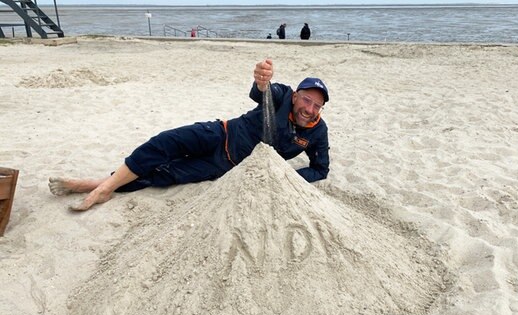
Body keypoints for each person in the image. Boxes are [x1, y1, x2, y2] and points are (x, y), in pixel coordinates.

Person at [49, 59, 330, 212]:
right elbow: (262, 91)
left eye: (317, 105)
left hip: (225, 167)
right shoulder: (281, 95)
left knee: (166, 175)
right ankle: (104, 188)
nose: (310, 109)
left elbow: (321, 169)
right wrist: (261, 80)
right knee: (165, 143)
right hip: (220, 133)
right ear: (296, 96)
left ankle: (95, 186)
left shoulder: (318, 132)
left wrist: (287, 176)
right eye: (306, 100)